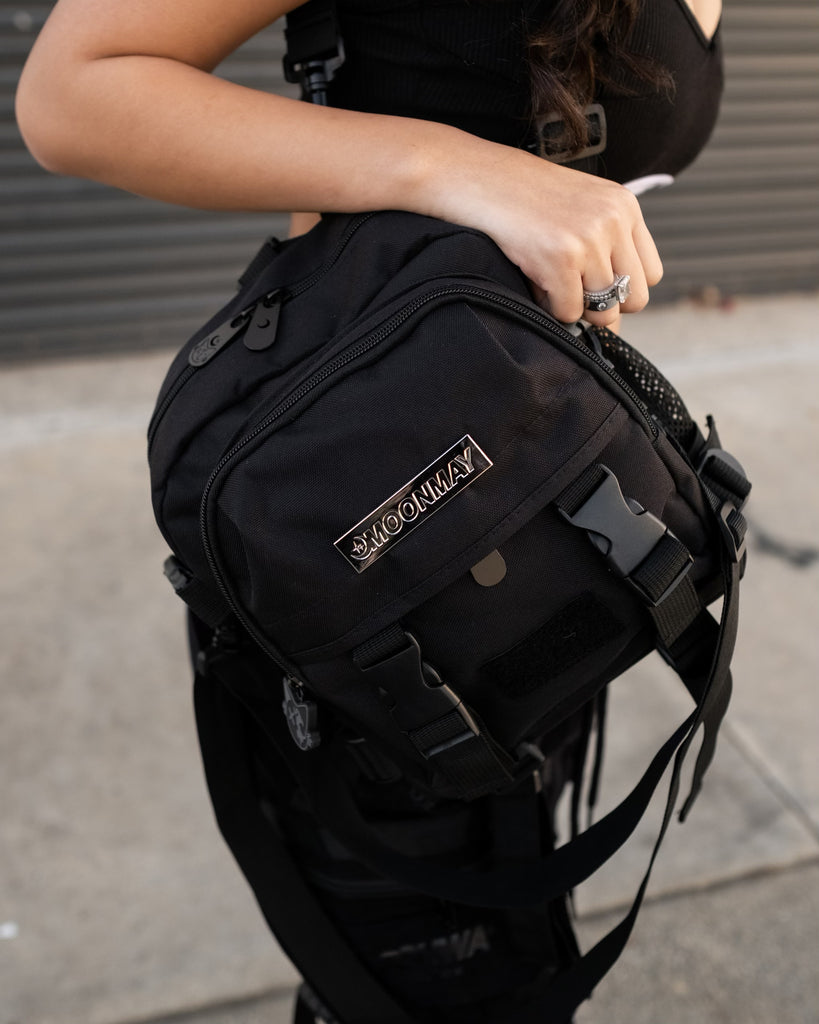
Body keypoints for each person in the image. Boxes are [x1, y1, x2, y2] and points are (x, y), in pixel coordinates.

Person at [16, 2, 725, 1020]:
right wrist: (454, 168)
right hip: (372, 549)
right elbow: (72, 92)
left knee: (509, 946)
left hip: (536, 504)